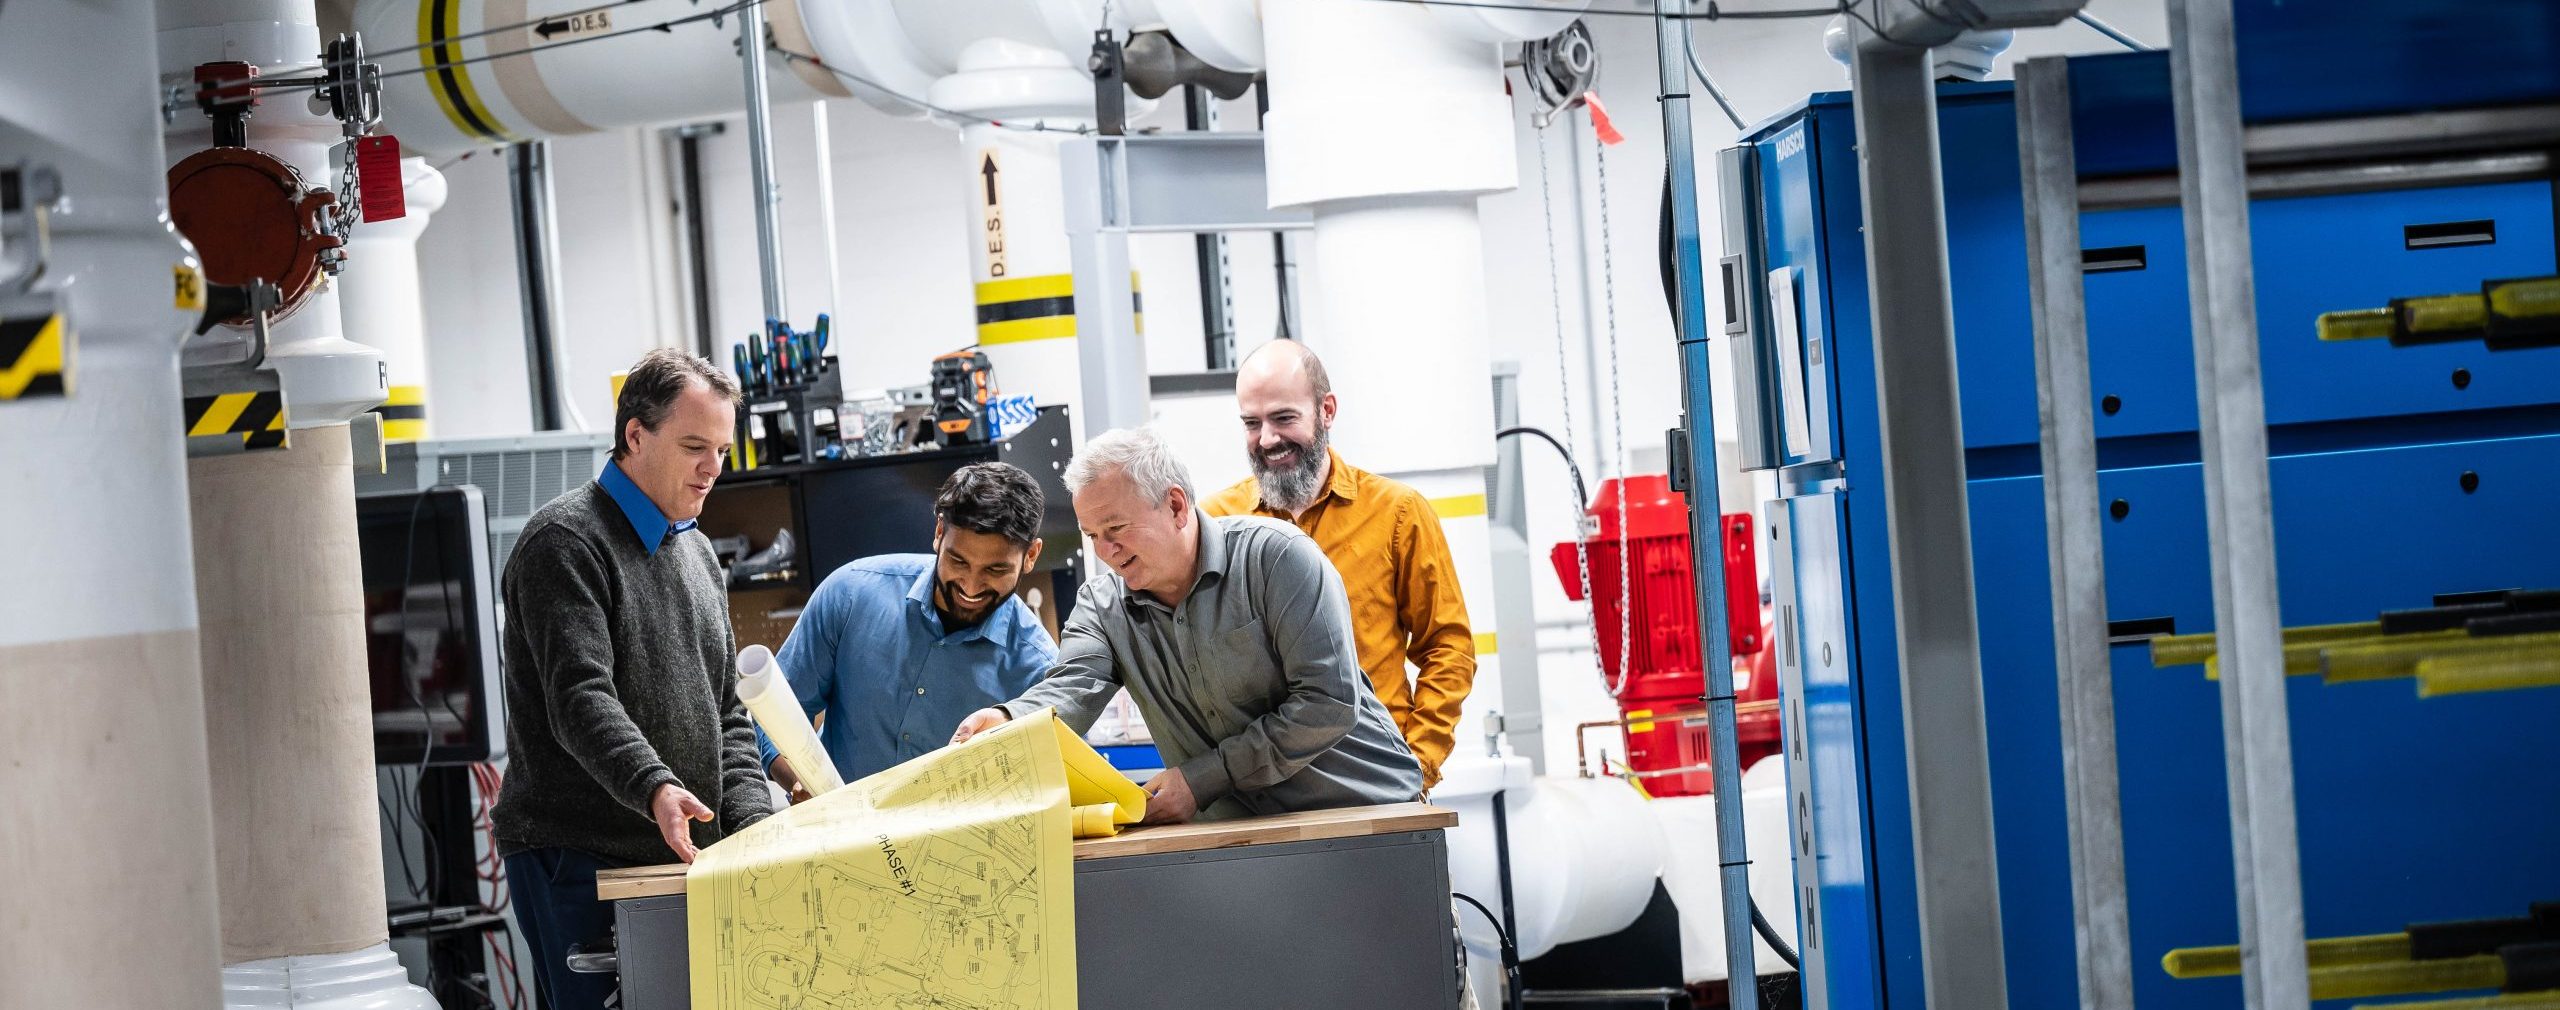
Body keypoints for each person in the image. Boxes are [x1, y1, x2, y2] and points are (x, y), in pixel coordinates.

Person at [951, 425, 1422, 824]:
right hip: (1240, 838)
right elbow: (1069, 688)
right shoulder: (1103, 606)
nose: (1104, 551)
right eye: (1092, 535)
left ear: (1176, 506)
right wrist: (1008, 719)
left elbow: (1329, 703)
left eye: (1115, 529)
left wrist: (1202, 779)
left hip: (1364, 816)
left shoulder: (1277, 560)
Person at [492, 348, 772, 1010]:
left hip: (681, 860)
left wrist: (755, 825)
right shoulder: (563, 544)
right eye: (695, 446)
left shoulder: (697, 551)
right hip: (580, 858)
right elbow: (580, 699)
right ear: (635, 435)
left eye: (724, 452)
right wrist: (655, 787)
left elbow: (725, 710)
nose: (712, 469)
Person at [1202, 340, 1476, 788]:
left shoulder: (1397, 514)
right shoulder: (1216, 524)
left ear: (1326, 410)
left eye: (1284, 418)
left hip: (1377, 780)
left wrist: (1418, 764)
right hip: (1261, 792)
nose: (1268, 439)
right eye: (1252, 423)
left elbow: (1449, 648)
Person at [762, 463, 1057, 795]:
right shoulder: (850, 594)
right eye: (958, 562)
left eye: (996, 569)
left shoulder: (1041, 670)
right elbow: (773, 718)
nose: (971, 587)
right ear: (939, 533)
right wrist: (803, 789)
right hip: (835, 837)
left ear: (1030, 555)